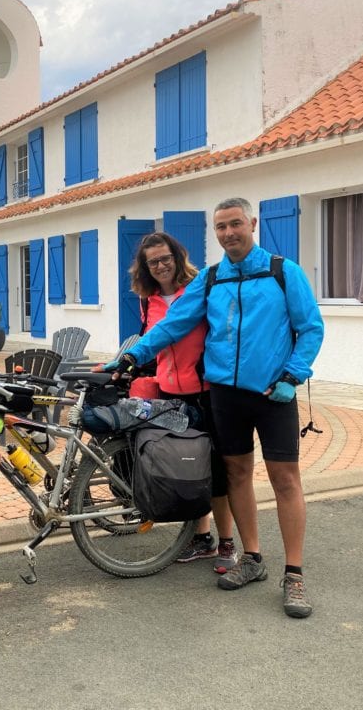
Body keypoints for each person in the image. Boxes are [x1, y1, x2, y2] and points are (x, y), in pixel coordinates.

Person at [106, 198, 324, 618]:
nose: (229, 233)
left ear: (252, 223)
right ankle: (252, 559)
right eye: (221, 227)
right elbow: (171, 325)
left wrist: (292, 375)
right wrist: (130, 357)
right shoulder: (210, 280)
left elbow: (310, 327)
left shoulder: (282, 272)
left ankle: (293, 574)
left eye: (235, 224)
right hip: (225, 394)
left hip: (273, 393)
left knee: (285, 480)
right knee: (237, 474)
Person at [126, 231, 237, 573]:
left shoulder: (201, 289)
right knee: (188, 467)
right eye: (153, 262)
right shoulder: (149, 300)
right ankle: (201, 537)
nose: (160, 266)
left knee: (217, 472)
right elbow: (151, 341)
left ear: (177, 256)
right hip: (170, 392)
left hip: (205, 392)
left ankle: (228, 542)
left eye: (165, 259)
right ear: (145, 267)